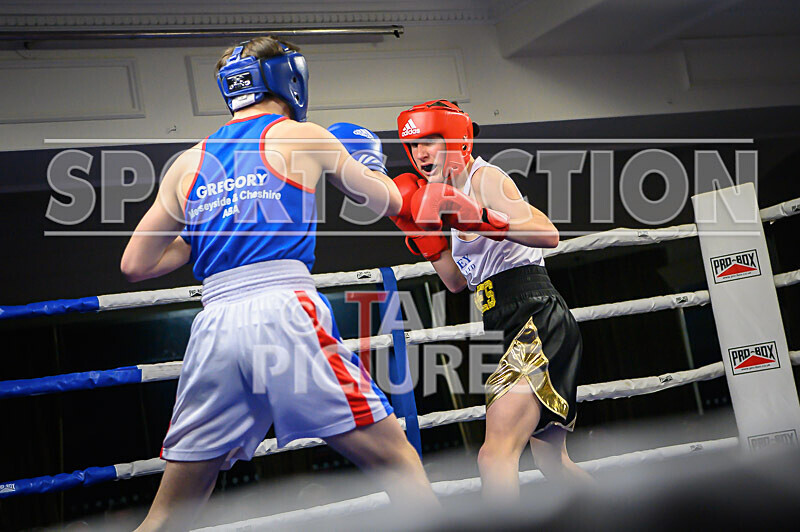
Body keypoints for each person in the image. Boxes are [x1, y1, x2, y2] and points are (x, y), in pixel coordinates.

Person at [121, 37, 437, 531]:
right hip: (284, 310)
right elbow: (389, 205)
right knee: (399, 464)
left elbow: (135, 265)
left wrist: (209, 226)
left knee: (169, 514)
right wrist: (370, 164)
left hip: (215, 326)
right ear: (289, 77)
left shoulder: (187, 162)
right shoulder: (302, 134)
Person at [391, 100, 593, 502]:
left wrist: (485, 219)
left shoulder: (486, 178)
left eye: (430, 141)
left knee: (494, 456)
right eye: (413, 146)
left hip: (534, 314)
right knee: (552, 462)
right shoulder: (444, 196)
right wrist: (426, 241)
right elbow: (454, 281)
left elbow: (547, 233)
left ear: (456, 140)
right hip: (501, 319)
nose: (421, 154)